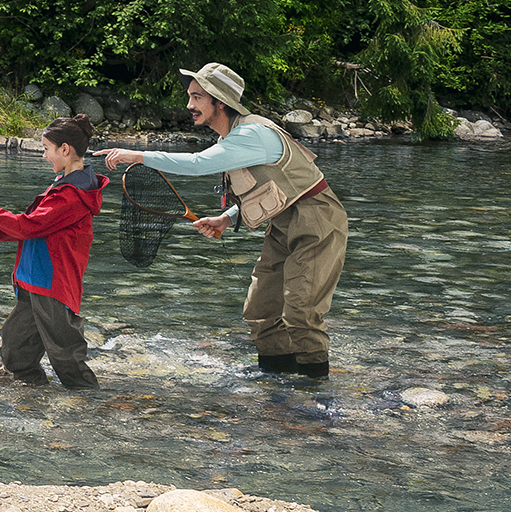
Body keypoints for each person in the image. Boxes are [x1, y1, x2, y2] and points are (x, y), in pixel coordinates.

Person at [103, 60, 349, 380]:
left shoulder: (253, 133)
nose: (189, 105)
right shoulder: (230, 140)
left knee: (301, 311)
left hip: (318, 219)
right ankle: (276, 383)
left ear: (220, 102)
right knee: (259, 313)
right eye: (190, 96)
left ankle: (315, 393)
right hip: (283, 223)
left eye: (197, 97)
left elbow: (197, 164)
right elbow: (270, 190)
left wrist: (136, 155)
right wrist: (228, 217)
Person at [0, 115, 107, 387]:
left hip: (52, 286)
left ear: (64, 150)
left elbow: (29, 226)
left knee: (67, 360)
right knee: (15, 351)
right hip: (33, 283)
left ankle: (91, 410)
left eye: (46, 149)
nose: (44, 155)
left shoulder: (72, 194)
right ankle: (37, 400)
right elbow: (37, 229)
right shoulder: (63, 184)